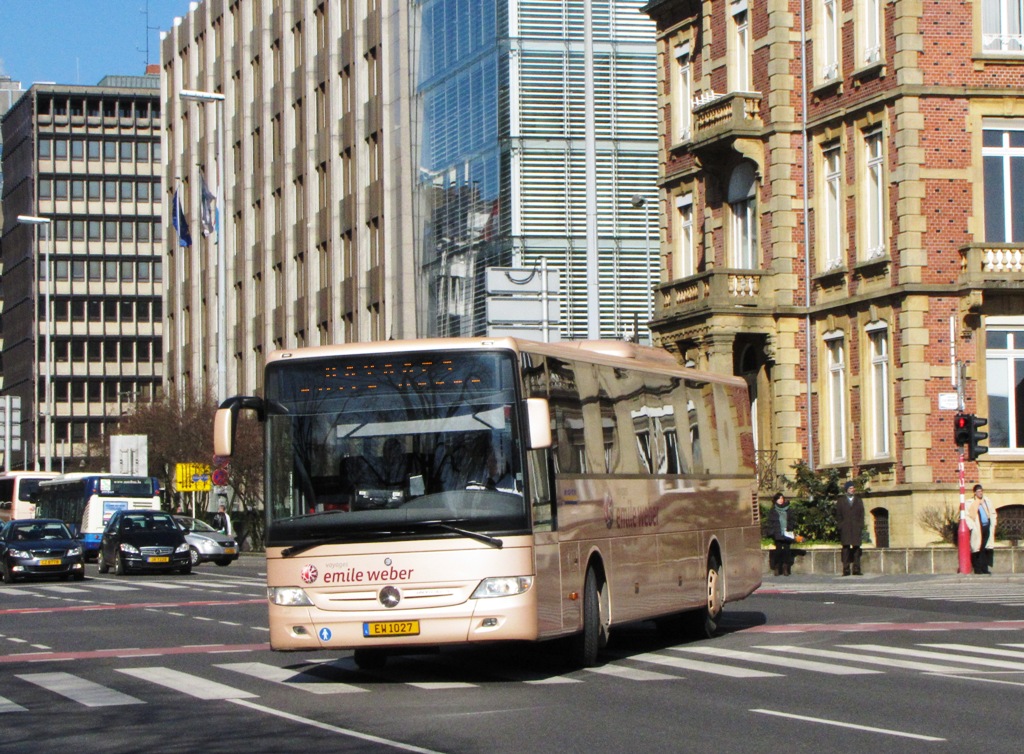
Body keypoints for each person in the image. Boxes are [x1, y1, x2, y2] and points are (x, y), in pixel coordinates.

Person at [966, 483, 997, 574]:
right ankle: (977, 568)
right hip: (977, 528)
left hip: (986, 526)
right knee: (977, 548)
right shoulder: (970, 503)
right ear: (975, 493)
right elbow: (967, 516)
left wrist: (993, 523)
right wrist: (971, 527)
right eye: (978, 491)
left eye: (981, 491)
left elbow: (992, 512)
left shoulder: (986, 501)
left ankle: (985, 568)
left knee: (985, 548)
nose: (980, 493)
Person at [835, 481, 865, 576]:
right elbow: (838, 515)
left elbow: (861, 514)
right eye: (850, 488)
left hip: (856, 527)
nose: (852, 490)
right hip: (846, 527)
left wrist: (860, 525)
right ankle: (846, 569)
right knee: (846, 548)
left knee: (856, 548)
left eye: (853, 488)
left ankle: (856, 569)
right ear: (846, 490)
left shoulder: (858, 500)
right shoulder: (841, 501)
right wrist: (841, 525)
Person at [766, 492, 798, 576]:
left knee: (787, 551)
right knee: (778, 551)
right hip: (777, 533)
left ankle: (785, 567)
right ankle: (777, 567)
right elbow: (770, 522)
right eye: (778, 499)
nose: (780, 500)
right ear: (775, 500)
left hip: (787, 533)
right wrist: (772, 532)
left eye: (781, 498)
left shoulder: (788, 509)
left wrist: (790, 528)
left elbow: (792, 520)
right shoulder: (773, 510)